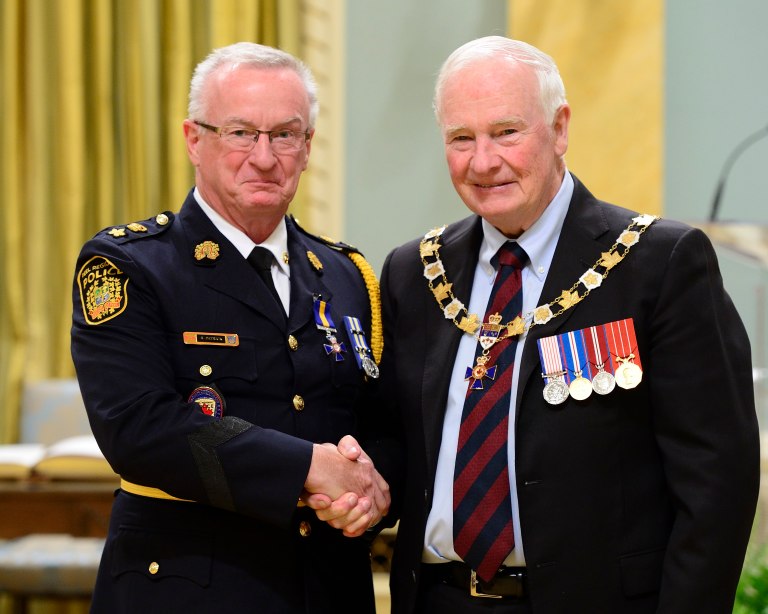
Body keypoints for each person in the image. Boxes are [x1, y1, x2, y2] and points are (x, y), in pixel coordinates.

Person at [380, 36, 760, 613]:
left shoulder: (657, 264)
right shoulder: (414, 273)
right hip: (440, 600)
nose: (483, 161)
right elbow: (395, 445)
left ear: (559, 129)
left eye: (507, 132)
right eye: (462, 138)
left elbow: (716, 484)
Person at [71, 42, 397, 613]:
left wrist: (374, 494)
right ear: (195, 140)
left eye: (285, 135)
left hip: (327, 587)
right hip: (189, 588)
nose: (264, 157)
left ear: (308, 146)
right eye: (240, 133)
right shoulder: (131, 265)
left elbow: (383, 423)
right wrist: (309, 468)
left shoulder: (347, 275)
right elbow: (139, 428)